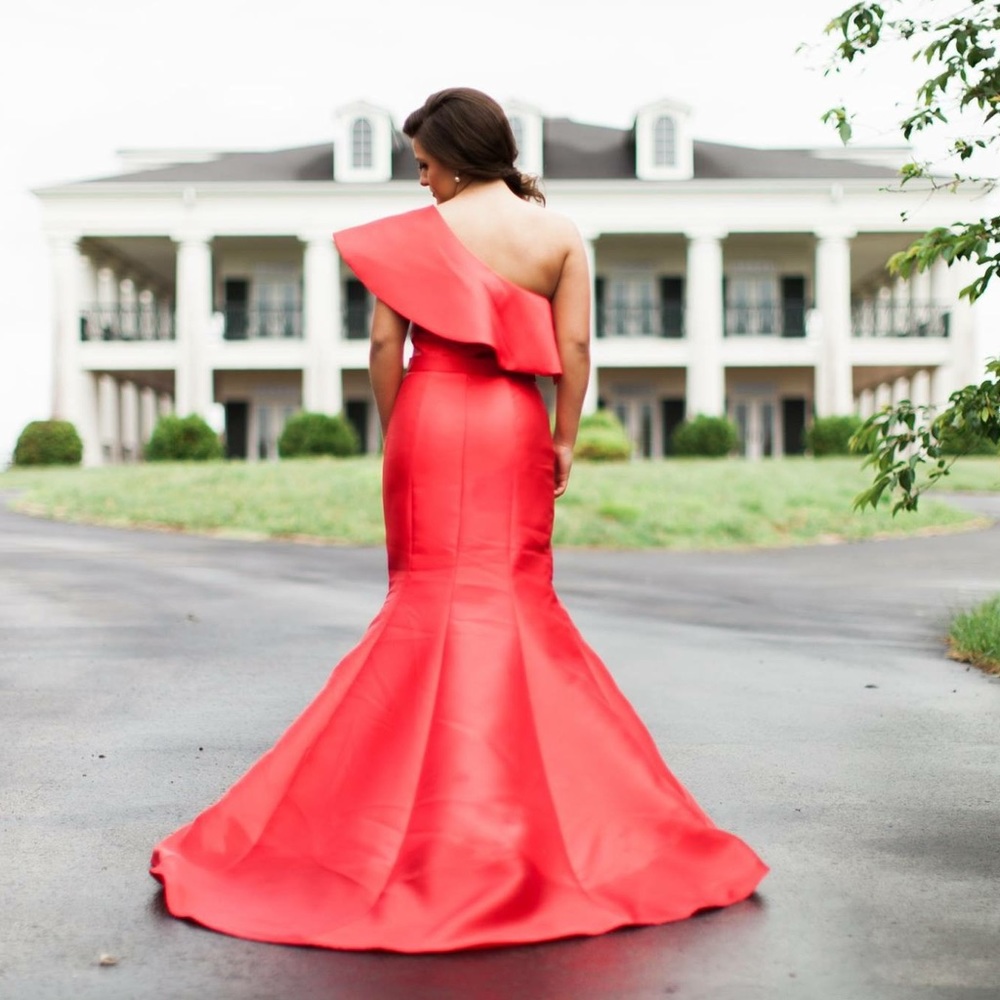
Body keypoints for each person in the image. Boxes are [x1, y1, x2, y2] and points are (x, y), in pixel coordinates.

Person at [150, 88, 767, 953]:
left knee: (424, 605)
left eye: (427, 163)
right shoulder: (556, 233)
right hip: (517, 422)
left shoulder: (417, 234)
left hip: (432, 419)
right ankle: (537, 827)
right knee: (518, 607)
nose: (425, 180)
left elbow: (381, 349)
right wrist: (563, 439)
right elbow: (579, 350)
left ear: (455, 155)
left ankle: (384, 825)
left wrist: (405, 423)